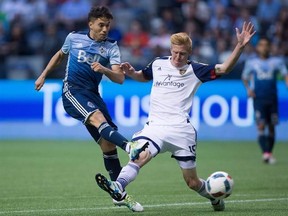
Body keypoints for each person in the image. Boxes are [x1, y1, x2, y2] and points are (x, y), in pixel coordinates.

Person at [95, 22, 256, 212]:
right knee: (138, 154)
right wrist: (132, 73)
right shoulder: (158, 63)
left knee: (192, 182)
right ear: (171, 49)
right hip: (155, 127)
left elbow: (224, 69)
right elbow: (143, 76)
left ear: (189, 53)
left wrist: (240, 46)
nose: (178, 57)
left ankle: (214, 197)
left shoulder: (196, 70)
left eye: (183, 54)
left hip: (181, 131)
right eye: (175, 52)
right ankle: (118, 186)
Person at [34, 6, 147, 212]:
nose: (105, 29)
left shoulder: (111, 46)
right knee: (98, 120)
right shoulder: (74, 37)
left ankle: (118, 194)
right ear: (91, 24)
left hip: (93, 94)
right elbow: (60, 55)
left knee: (107, 145)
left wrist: (103, 69)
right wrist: (43, 75)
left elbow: (120, 78)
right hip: (73, 91)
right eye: (101, 25)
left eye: (108, 26)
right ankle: (130, 146)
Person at [242, 37, 288, 164]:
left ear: (270, 47)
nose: (264, 47)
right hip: (259, 98)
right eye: (261, 45)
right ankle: (266, 153)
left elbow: (285, 74)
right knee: (261, 125)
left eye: (266, 45)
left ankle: (269, 152)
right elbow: (244, 77)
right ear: (258, 47)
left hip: (272, 98)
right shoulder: (252, 62)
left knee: (272, 126)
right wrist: (249, 89)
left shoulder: (277, 61)